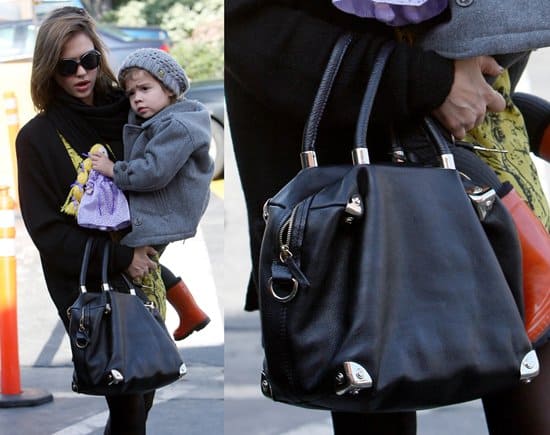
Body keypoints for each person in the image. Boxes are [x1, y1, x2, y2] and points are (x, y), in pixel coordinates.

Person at [225, 1, 549, 434]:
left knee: (534, 377)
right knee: (372, 394)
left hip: (479, 152)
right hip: (354, 197)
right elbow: (252, 33)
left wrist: (495, 93)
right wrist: (429, 83)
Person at [17, 7, 155, 434]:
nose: (82, 73)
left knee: (146, 388)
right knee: (126, 399)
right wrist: (120, 258)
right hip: (85, 284)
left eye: (89, 60)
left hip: (143, 267)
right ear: (48, 71)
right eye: (67, 67)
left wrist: (149, 249)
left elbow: (163, 177)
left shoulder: (131, 112)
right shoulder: (37, 138)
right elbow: (47, 234)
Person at [90, 47, 213, 340]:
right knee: (146, 261)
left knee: (129, 259)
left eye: (145, 88)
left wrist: (113, 169)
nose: (137, 99)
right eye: (131, 93)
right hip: (163, 209)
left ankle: (147, 333)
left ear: (169, 89)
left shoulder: (177, 125)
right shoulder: (161, 119)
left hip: (166, 212)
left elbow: (152, 172)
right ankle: (190, 312)